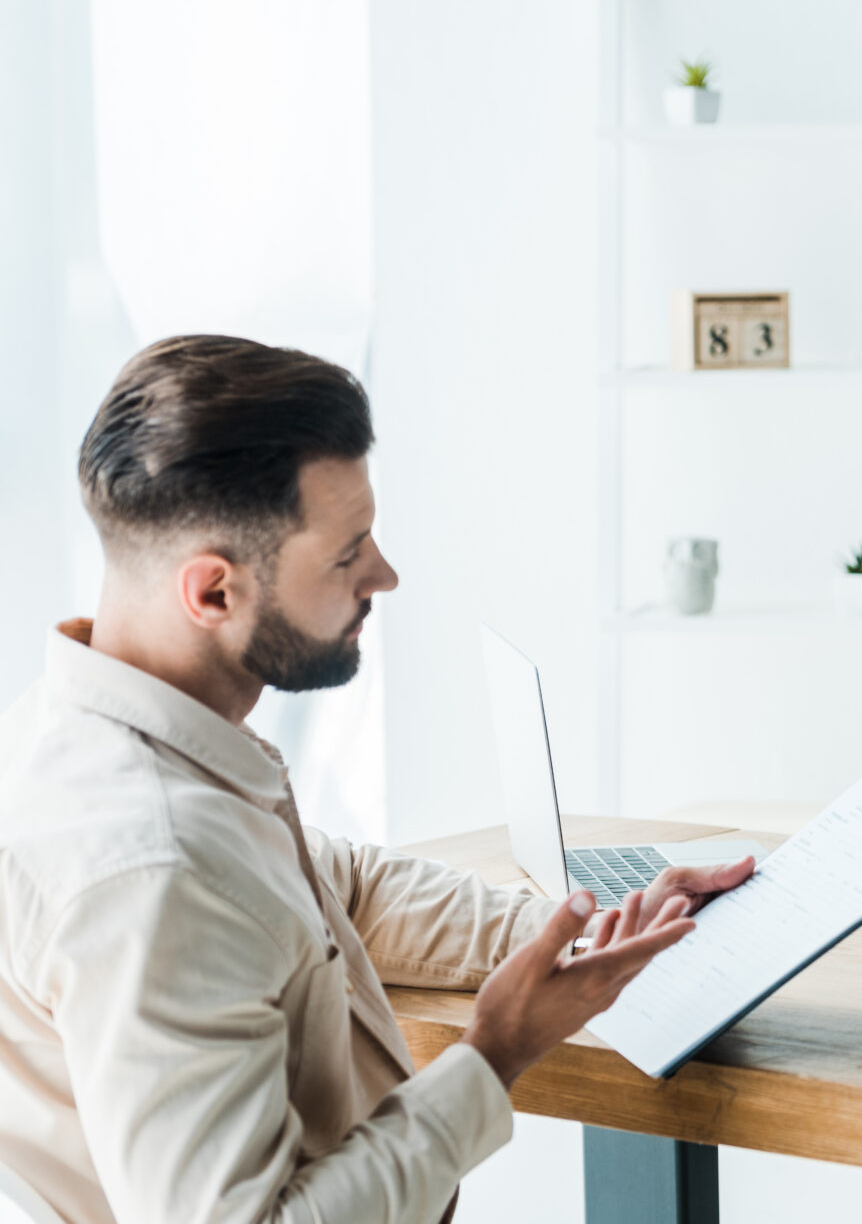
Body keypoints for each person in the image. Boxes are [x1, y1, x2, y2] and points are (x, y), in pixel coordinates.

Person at [0, 335, 753, 1224]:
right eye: (348, 551)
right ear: (211, 593)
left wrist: (580, 932)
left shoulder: (90, 725)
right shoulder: (152, 868)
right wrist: (495, 1051)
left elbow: (332, 882)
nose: (384, 575)